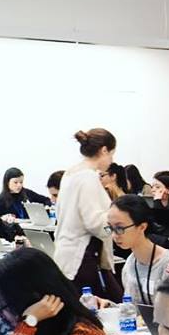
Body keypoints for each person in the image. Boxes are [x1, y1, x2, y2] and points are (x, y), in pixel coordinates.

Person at [54, 128, 123, 301]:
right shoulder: (88, 178)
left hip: (66, 252)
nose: (111, 160)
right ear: (104, 150)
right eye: (111, 154)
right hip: (82, 255)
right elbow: (95, 222)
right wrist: (117, 223)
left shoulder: (70, 174)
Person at [108, 195, 169, 306]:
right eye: (110, 228)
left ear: (142, 227)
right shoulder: (130, 263)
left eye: (120, 228)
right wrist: (109, 305)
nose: (114, 235)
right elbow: (131, 309)